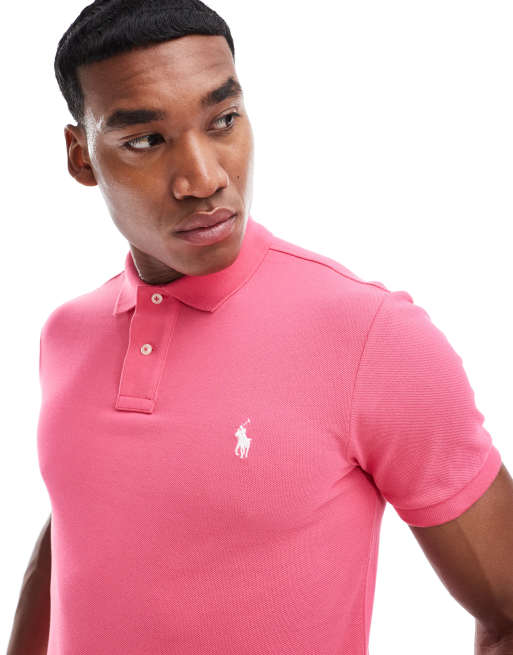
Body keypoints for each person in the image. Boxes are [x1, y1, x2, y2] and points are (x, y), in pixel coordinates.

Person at [7, 1, 513, 653]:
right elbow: (77, 532)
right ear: (81, 158)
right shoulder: (65, 335)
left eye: (223, 120)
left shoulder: (369, 336)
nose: (204, 179)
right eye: (146, 140)